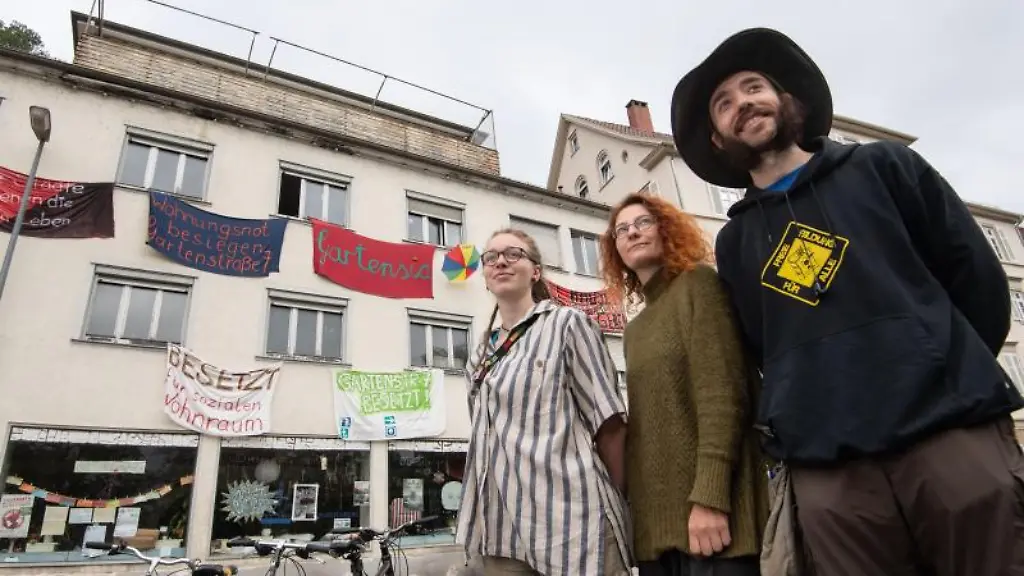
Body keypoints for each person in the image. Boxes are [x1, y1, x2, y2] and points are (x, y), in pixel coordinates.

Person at [669, 27, 1024, 576]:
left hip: (949, 434)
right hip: (830, 468)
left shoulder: (886, 168)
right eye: (724, 104)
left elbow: (975, 280)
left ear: (786, 99)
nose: (743, 103)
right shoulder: (735, 243)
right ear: (717, 139)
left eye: (752, 87)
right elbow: (766, 347)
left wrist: (941, 364)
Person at [600, 192, 768, 576]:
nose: (632, 233)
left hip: (713, 525)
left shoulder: (699, 285)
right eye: (621, 230)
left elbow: (723, 397)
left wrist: (711, 497)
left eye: (643, 222)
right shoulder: (634, 329)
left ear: (665, 229)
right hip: (655, 532)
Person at [455, 228, 633, 576]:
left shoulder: (568, 324)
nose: (500, 261)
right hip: (499, 531)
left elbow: (610, 424)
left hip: (573, 523)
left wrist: (621, 503)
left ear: (535, 271)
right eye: (491, 257)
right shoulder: (478, 355)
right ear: (486, 277)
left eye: (514, 254)